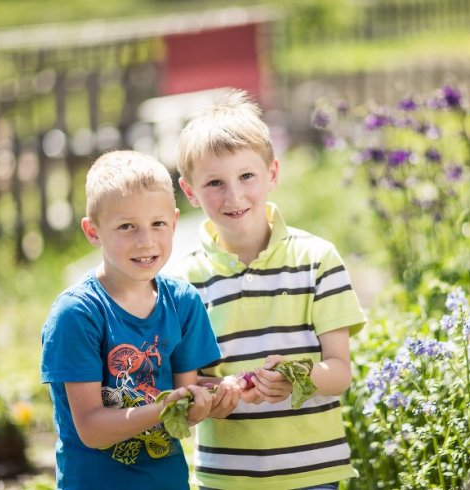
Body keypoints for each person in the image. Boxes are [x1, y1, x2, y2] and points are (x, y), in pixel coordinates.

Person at [172, 89, 367, 490]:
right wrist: (218, 394)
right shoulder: (185, 280)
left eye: (246, 176)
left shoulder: (318, 260)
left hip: (312, 471)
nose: (234, 195)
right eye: (214, 183)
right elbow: (188, 385)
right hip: (227, 477)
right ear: (190, 191)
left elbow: (341, 371)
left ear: (272, 174)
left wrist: (300, 377)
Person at [40, 150, 222, 490]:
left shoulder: (183, 303)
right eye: (126, 226)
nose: (146, 241)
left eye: (158, 224)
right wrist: (165, 407)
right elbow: (92, 429)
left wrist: (210, 399)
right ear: (93, 232)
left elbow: (186, 404)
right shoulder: (76, 315)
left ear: (175, 222)